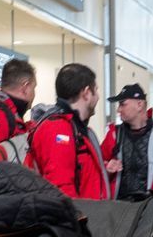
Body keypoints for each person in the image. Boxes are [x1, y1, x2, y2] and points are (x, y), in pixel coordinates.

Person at [27, 63, 110, 198]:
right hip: (78, 216)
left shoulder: (77, 129)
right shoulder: (58, 129)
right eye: (97, 90)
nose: (98, 97)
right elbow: (61, 189)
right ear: (87, 93)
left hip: (92, 214)